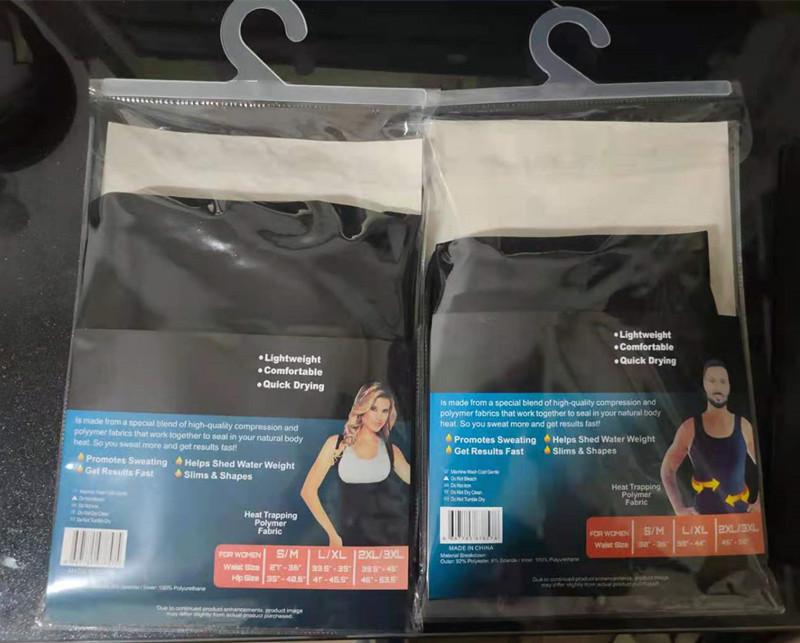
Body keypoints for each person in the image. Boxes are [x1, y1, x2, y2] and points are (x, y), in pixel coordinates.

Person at [301, 382, 411, 546]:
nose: (379, 417)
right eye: (373, 409)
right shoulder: (335, 444)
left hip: (387, 544)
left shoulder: (391, 451)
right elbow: (308, 491)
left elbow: (420, 483)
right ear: (362, 408)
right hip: (346, 543)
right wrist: (332, 535)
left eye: (385, 411)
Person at [661, 359, 759, 515]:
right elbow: (667, 470)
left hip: (740, 519)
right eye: (712, 381)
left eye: (722, 381)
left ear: (728, 387)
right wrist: (678, 509)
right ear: (705, 385)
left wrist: (760, 502)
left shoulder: (744, 426)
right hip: (703, 521)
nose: (718, 387)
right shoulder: (689, 429)